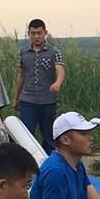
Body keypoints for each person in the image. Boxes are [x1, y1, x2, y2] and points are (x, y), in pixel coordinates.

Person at [13, 19, 66, 153]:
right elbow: (20, 75)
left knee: (48, 135)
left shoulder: (54, 52)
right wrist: (16, 98)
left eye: (39, 33)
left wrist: (57, 83)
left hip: (47, 101)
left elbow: (60, 70)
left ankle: (46, 163)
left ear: (45, 33)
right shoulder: (23, 52)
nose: (36, 36)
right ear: (29, 34)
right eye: (33, 33)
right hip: (28, 100)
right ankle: (27, 165)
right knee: (26, 134)